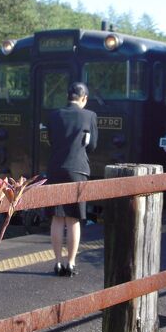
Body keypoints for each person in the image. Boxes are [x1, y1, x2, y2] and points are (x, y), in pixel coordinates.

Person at [46, 82, 98, 277]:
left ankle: (58, 262)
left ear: (68, 97)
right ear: (83, 98)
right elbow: (92, 145)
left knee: (57, 217)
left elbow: (51, 140)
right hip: (77, 169)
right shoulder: (89, 116)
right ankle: (71, 262)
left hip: (56, 168)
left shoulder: (54, 115)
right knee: (73, 218)